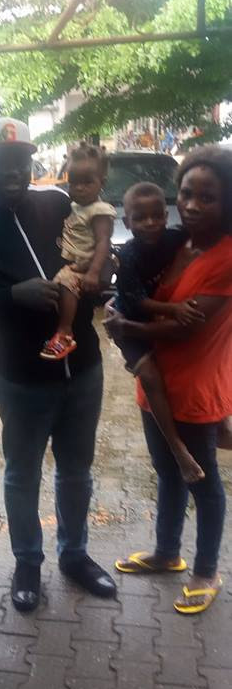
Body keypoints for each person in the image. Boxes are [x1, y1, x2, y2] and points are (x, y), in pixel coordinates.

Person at [0, 117, 117, 611]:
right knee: (22, 474)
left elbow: (95, 248)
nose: (12, 171)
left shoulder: (58, 203)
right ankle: (28, 562)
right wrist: (9, 296)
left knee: (77, 471)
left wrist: (107, 268)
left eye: (20, 161)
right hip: (21, 378)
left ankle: (74, 556)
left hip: (83, 368)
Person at [108, 147, 232, 614]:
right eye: (187, 193)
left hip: (196, 389)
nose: (193, 205)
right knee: (167, 473)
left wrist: (125, 326)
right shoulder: (177, 242)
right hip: (156, 385)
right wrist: (119, 303)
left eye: (208, 197)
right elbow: (136, 288)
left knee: (203, 483)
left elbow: (187, 327)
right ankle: (166, 553)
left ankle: (207, 571)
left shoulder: (226, 255)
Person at [111, 181, 206, 484]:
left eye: (156, 216)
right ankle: (177, 449)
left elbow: (207, 233)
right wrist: (174, 309)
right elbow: (136, 302)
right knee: (151, 378)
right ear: (127, 222)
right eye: (140, 218)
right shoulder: (128, 255)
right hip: (128, 324)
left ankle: (220, 422)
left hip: (156, 321)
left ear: (166, 216)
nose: (150, 223)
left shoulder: (175, 238)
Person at [40, 145, 115, 360]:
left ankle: (65, 332)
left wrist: (94, 271)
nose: (79, 188)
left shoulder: (100, 211)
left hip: (87, 264)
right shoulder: (74, 206)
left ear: (102, 183)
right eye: (73, 182)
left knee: (67, 283)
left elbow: (103, 242)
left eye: (87, 182)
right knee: (61, 286)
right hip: (74, 262)